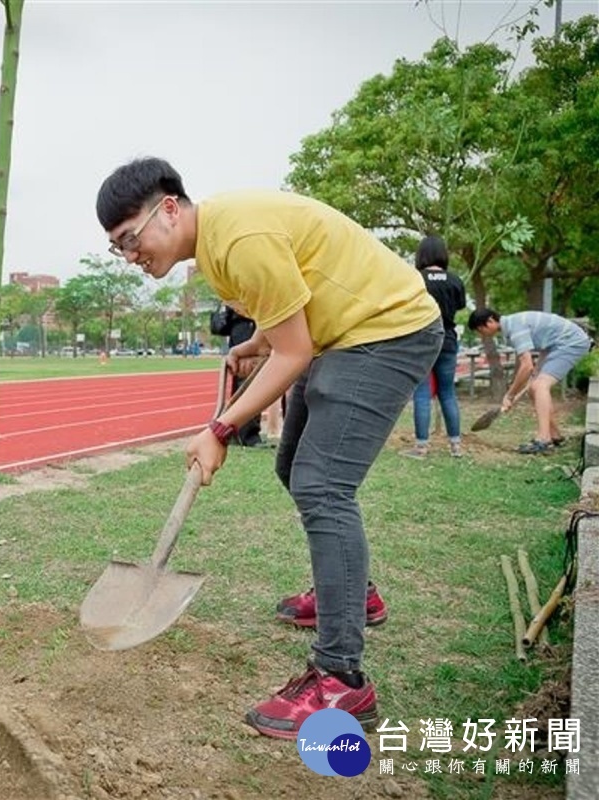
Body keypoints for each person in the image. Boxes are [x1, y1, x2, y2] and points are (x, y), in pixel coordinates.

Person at [96, 157, 441, 739]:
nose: (130, 256)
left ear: (170, 208)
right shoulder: (217, 246)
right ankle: (353, 593)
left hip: (386, 331)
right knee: (293, 464)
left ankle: (341, 679)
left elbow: (296, 352)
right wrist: (255, 341)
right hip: (346, 335)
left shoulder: (239, 239)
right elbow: (290, 309)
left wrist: (221, 429)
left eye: (131, 239)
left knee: (323, 484)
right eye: (118, 249)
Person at [468, 308, 591, 454]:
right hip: (554, 345)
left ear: (490, 320)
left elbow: (526, 366)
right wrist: (533, 374)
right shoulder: (512, 324)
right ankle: (554, 435)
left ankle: (544, 440)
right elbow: (538, 353)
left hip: (571, 343)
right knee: (534, 387)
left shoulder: (515, 328)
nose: (482, 334)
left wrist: (509, 395)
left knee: (540, 386)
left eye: (481, 330)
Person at [403, 235, 468, 459]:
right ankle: (456, 446)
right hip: (448, 339)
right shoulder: (455, 280)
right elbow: (459, 306)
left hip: (422, 339)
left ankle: (421, 448)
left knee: (422, 393)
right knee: (447, 392)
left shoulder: (415, 279)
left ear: (421, 254)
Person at [211, 304, 265, 447]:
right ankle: (246, 434)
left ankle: (236, 431)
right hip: (244, 330)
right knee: (247, 383)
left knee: (251, 384)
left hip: (252, 328)